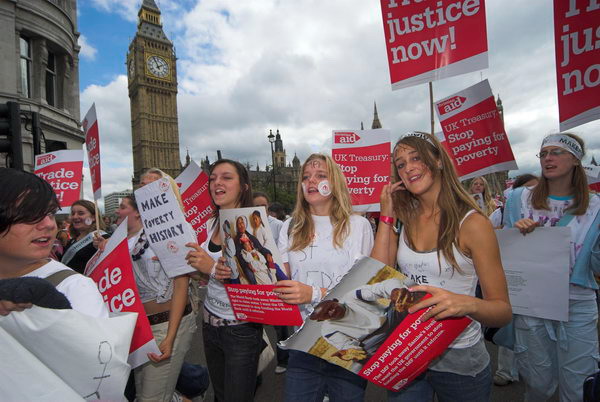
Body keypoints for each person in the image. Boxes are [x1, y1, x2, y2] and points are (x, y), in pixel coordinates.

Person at [371, 131, 511, 402]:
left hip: (459, 357)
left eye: (415, 157)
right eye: (400, 164)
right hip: (408, 350)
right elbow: (378, 273)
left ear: (437, 161)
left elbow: (503, 311)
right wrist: (386, 213)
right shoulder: (406, 217)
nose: (408, 167)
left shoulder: (473, 224)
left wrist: (465, 303)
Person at [504, 133, 600, 402]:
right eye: (544, 153)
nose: (548, 158)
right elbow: (505, 254)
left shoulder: (595, 207)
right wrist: (515, 233)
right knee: (537, 382)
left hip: (577, 302)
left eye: (557, 152)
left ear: (575, 160)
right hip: (534, 304)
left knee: (579, 385)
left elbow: (596, 263)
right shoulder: (519, 199)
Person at [274, 153, 374, 402]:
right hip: (303, 343)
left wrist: (314, 294)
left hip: (347, 342)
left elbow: (364, 292)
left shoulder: (357, 225)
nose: (311, 181)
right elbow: (280, 280)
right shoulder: (290, 226)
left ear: (334, 182)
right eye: (306, 177)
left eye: (320, 175)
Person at [185, 159, 264, 402]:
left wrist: (210, 268)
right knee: (219, 395)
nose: (217, 182)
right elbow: (206, 276)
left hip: (240, 329)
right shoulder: (211, 224)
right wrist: (192, 265)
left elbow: (260, 286)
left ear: (244, 187)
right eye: (213, 178)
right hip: (210, 324)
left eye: (227, 177)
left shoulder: (256, 226)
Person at [110, 195, 195, 402]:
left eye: (122, 207)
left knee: (152, 398)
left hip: (167, 325)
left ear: (138, 212)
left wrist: (171, 336)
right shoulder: (118, 242)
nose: (116, 211)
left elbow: (181, 283)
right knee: (142, 394)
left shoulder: (163, 235)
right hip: (140, 328)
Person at [0, 168, 107, 318]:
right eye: (30, 214)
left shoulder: (74, 289)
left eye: (51, 213)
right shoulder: (71, 240)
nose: (49, 224)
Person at [492, 173, 538, 387]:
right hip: (512, 275)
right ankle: (505, 369)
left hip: (538, 280)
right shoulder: (501, 211)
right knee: (509, 322)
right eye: (528, 190)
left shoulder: (545, 213)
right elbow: (496, 235)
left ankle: (527, 369)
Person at [253, 192, 290, 374]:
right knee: (255, 326)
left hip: (275, 280)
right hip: (256, 280)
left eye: (264, 207)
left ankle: (283, 359)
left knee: (281, 326)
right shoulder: (249, 225)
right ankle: (256, 366)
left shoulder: (278, 226)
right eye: (256, 206)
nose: (261, 210)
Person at [61, 199, 107, 273]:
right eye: (73, 213)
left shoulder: (103, 238)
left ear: (93, 217)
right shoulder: (73, 240)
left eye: (80, 213)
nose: (75, 217)